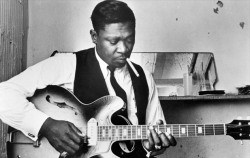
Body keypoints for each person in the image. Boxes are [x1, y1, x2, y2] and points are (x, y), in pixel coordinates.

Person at [0, 0, 176, 157]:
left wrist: (150, 147)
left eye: (129, 39)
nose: (123, 49)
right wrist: (46, 126)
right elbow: (3, 95)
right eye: (113, 42)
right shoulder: (67, 64)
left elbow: (154, 140)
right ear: (94, 37)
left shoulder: (143, 77)